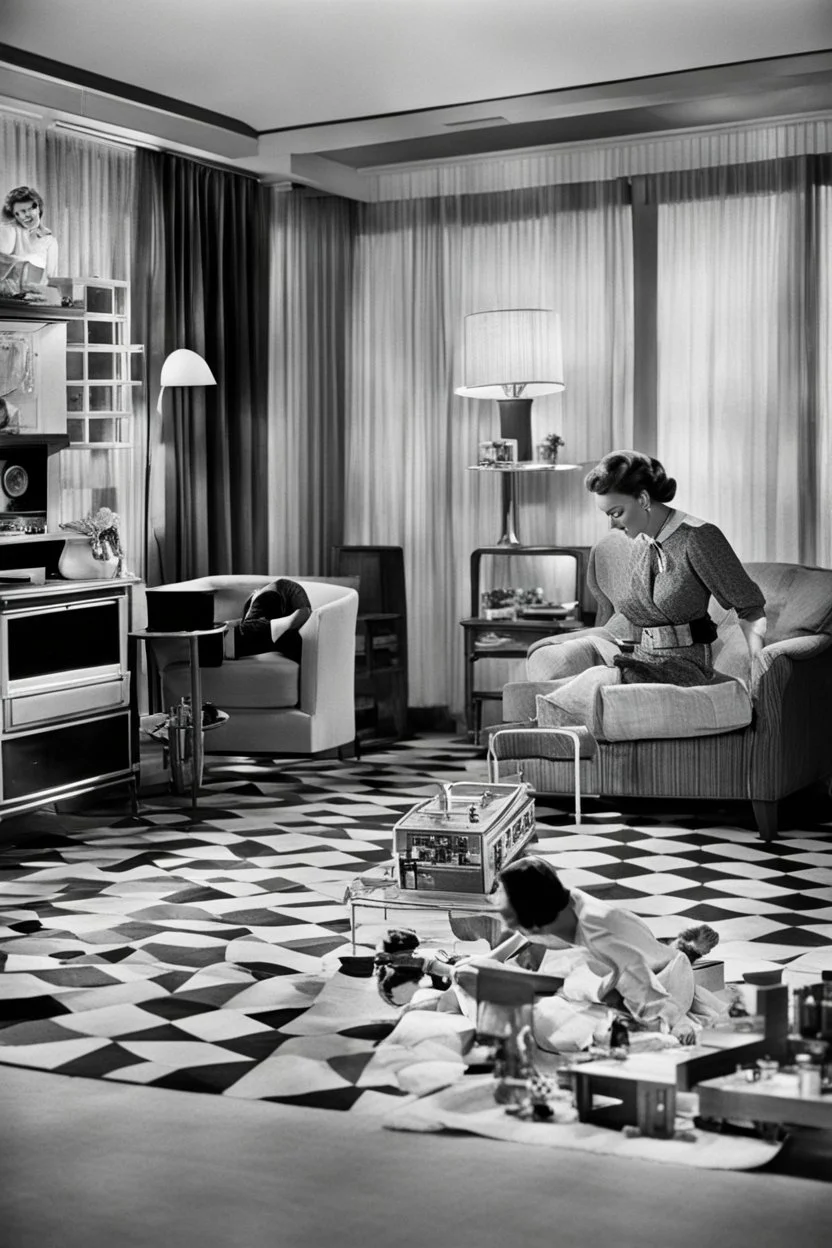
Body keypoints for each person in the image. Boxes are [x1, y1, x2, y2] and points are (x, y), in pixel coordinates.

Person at [408, 856, 725, 1049]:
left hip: (650, 981)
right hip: (596, 976)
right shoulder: (556, 911)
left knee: (556, 1020)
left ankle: (683, 954)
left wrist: (677, 1020)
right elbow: (519, 942)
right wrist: (488, 962)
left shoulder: (603, 931)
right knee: (488, 982)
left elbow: (647, 984)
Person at [223, 578, 312, 663]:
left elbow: (304, 612)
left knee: (291, 639)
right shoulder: (284, 588)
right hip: (273, 604)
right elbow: (304, 611)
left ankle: (224, 642)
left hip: (274, 603)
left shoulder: (283, 588)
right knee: (291, 639)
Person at [0, 187, 59, 298]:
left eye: (27, 210)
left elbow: (51, 279)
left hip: (33, 300)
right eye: (18, 213)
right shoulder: (11, 230)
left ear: (38, 208)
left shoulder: (50, 241)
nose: (24, 216)